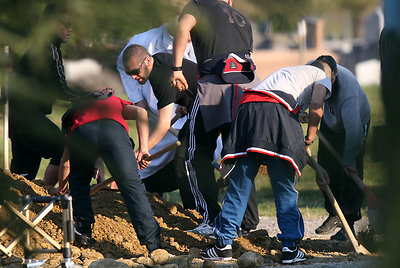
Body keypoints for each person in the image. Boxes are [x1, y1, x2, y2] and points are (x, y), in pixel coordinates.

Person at [200, 61, 333, 263]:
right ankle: (290, 248)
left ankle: (224, 245)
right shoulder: (323, 75)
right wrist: (309, 137)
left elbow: (272, 99)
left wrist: (297, 115)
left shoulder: (290, 72)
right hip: (276, 114)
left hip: (247, 110)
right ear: (332, 74)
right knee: (284, 187)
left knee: (239, 186)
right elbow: (316, 105)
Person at [169, 0, 260, 235]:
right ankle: (246, 223)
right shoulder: (242, 18)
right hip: (247, 90)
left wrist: (177, 69)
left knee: (194, 154)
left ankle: (211, 219)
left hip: (214, 86)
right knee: (239, 155)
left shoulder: (198, 5)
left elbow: (182, 29)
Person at [61, 87, 161, 254]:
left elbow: (65, 163)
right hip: (115, 135)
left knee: (79, 183)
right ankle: (154, 246)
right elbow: (141, 113)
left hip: (83, 136)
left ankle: (83, 232)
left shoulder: (76, 116)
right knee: (133, 188)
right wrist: (143, 148)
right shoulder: (115, 101)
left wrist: (62, 189)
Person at [117, 26, 196, 208]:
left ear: (147, 60)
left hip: (214, 108)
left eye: (136, 71)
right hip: (196, 108)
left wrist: (143, 149)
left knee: (184, 160)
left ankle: (197, 214)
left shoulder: (161, 76)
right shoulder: (159, 63)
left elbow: (163, 124)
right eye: (130, 74)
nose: (134, 77)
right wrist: (185, 103)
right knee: (184, 159)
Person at [9, 3, 80, 184]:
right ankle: (49, 196)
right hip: (26, 117)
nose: (70, 29)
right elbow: (59, 88)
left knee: (23, 179)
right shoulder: (46, 49)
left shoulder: (50, 47)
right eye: (65, 24)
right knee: (62, 148)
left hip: (23, 117)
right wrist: (90, 97)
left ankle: (30, 202)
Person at [310, 55, 371, 241]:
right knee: (325, 169)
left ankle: (350, 221)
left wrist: (349, 159)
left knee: (350, 172)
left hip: (355, 124)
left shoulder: (348, 90)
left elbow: (353, 131)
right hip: (330, 122)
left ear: (335, 74)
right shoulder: (311, 72)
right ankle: (335, 213)